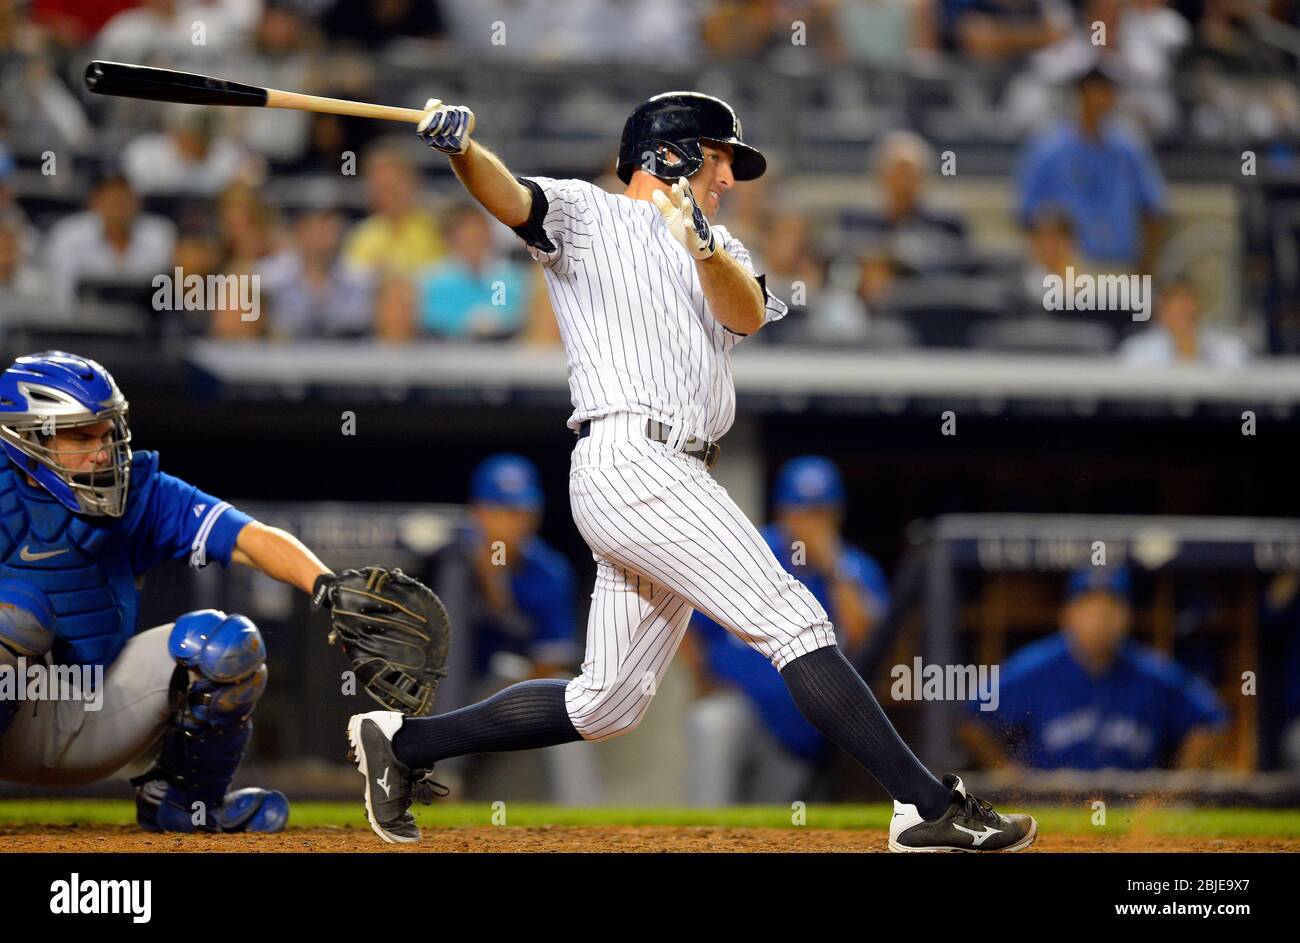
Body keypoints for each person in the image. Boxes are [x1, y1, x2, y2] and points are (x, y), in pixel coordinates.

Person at [344, 90, 1038, 851]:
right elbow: (509, 196)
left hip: (671, 471)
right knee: (793, 619)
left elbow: (745, 314)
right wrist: (461, 150)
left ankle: (403, 745)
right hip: (633, 456)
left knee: (606, 702)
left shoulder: (723, 248)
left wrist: (703, 242)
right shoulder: (589, 213)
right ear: (669, 154)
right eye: (718, 159)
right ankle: (924, 804)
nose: (728, 178)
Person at [0, 351, 388, 832]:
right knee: (16, 618)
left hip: (94, 711)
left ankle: (182, 802)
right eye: (81, 436)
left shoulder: (138, 492)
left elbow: (252, 539)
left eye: (107, 432)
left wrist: (328, 587)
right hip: (13, 712)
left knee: (226, 646)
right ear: (28, 437)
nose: (102, 452)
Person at [684, 456, 891, 805]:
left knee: (776, 827)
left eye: (819, 512)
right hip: (741, 709)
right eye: (801, 511)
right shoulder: (751, 552)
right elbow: (687, 615)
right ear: (782, 512)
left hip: (802, 734)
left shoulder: (855, 570)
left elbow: (867, 643)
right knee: (714, 721)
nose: (809, 523)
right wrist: (702, 680)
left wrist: (833, 568)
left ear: (836, 515)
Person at [430, 455, 598, 804]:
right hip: (436, 690)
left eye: (522, 511)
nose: (514, 522)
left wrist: (511, 692)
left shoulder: (549, 571)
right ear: (478, 512)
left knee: (571, 699)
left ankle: (583, 815)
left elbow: (552, 662)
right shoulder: (451, 558)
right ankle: (437, 778)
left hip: (506, 685)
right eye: (502, 510)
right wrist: (485, 570)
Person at [961, 566, 1229, 770]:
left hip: (1133, 816)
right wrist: (1004, 773)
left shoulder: (1153, 672)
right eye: (1089, 606)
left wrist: (1173, 792)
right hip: (1050, 808)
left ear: (1127, 616)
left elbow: (1211, 721)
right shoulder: (1034, 667)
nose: (1101, 618)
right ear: (1068, 614)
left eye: (1112, 606)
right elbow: (969, 716)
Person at [1016, 66, 1167, 270]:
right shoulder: (1047, 148)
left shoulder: (1130, 147)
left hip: (1120, 264)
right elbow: (1029, 215)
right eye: (1091, 92)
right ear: (1078, 95)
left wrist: (1145, 267)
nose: (1098, 100)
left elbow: (1152, 210)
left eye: (1105, 92)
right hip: (1067, 269)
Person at [42, 173, 176, 310]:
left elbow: (165, 291)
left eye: (125, 200)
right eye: (112, 201)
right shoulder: (68, 234)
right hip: (84, 320)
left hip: (146, 318)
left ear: (138, 202)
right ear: (95, 202)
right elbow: (61, 291)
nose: (119, 208)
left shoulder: (159, 235)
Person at [1119, 278, 1250, 367]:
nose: (1188, 307)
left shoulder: (1229, 347)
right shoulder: (1137, 351)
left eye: (1191, 299)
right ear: (1161, 310)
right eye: (1180, 301)